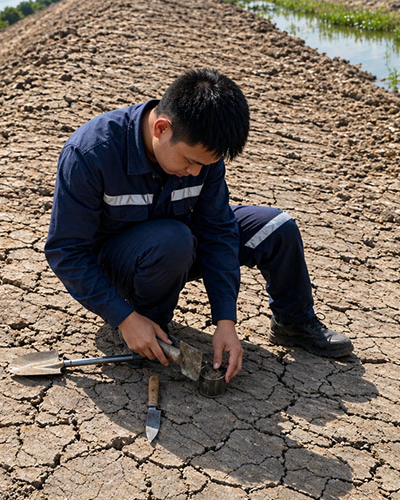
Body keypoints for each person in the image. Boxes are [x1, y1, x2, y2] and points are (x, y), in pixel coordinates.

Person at [45, 68, 353, 384]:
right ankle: (149, 328)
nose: (195, 172)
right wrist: (124, 318)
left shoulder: (202, 154)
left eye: (205, 165)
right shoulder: (91, 152)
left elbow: (218, 229)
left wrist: (225, 320)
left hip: (180, 244)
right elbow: (66, 251)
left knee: (276, 228)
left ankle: (294, 322)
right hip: (125, 263)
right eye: (190, 162)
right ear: (161, 129)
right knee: (171, 240)